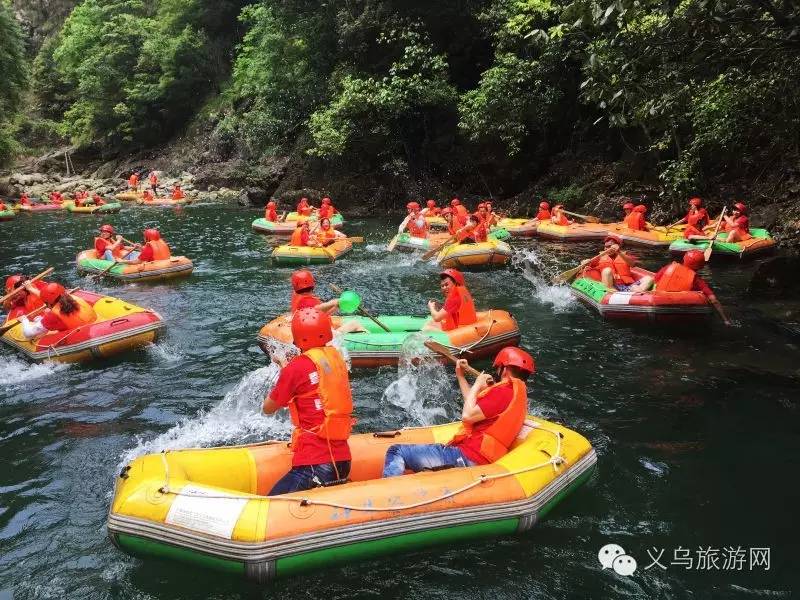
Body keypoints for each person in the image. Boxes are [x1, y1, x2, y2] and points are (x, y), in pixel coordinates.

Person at [382, 346, 533, 476]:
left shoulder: (502, 392)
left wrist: (477, 385)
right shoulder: (516, 395)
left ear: (504, 369)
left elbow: (467, 415)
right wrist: (460, 375)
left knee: (396, 451)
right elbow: (472, 404)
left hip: (468, 456)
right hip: (481, 459)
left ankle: (390, 494)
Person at [262, 307, 354, 494]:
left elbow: (268, 408)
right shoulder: (337, 359)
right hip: (343, 460)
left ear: (296, 337)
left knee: (270, 506)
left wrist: (283, 371)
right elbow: (313, 384)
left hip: (315, 465)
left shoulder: (295, 368)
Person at [653, 250, 732, 325]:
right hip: (680, 308)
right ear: (701, 266)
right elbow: (713, 300)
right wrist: (725, 320)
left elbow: (656, 279)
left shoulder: (669, 267)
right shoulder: (696, 279)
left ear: (684, 259)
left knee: (647, 280)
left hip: (656, 299)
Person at [19, 282, 97, 338]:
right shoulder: (74, 298)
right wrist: (31, 289)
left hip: (80, 337)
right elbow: (51, 298)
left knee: (41, 321)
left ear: (48, 303)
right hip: (94, 328)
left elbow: (28, 333)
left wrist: (24, 320)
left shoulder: (53, 316)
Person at [581, 235, 651, 292]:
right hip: (613, 287)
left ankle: (638, 295)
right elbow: (588, 264)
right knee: (607, 270)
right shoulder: (600, 257)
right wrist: (585, 262)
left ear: (617, 247)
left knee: (649, 278)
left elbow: (632, 264)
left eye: (609, 246)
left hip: (626, 285)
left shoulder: (624, 255)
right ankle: (614, 293)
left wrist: (619, 252)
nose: (606, 249)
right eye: (605, 246)